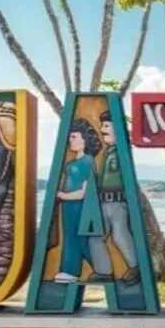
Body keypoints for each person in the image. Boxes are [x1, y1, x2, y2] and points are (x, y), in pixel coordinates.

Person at [87, 110, 140, 282]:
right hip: (103, 202)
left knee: (120, 235)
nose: (102, 130)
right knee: (96, 236)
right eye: (102, 125)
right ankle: (104, 271)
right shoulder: (108, 152)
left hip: (118, 202)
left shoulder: (120, 153)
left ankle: (135, 267)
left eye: (107, 126)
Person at [55, 119, 102, 282]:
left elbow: (84, 192)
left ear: (84, 139)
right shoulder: (71, 163)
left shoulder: (87, 161)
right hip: (68, 208)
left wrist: (63, 195)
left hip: (80, 208)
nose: (70, 140)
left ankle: (101, 269)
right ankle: (70, 270)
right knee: (70, 238)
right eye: (70, 137)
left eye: (74, 136)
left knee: (81, 239)